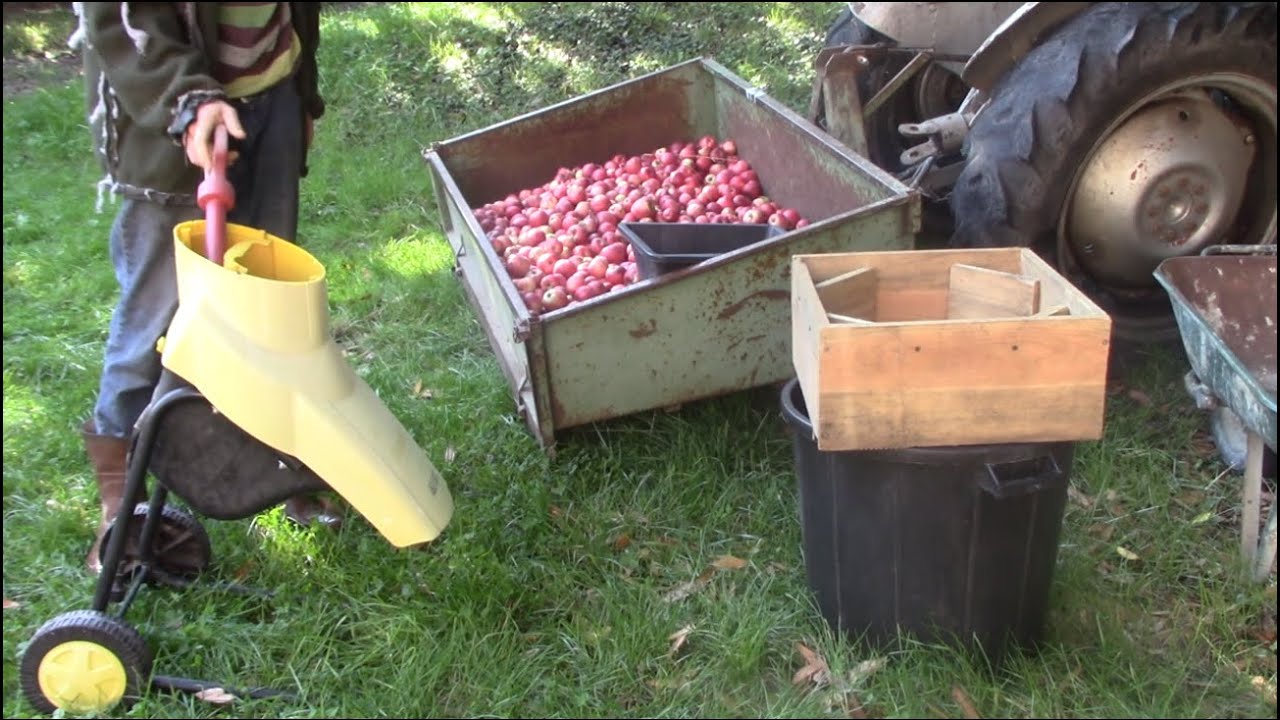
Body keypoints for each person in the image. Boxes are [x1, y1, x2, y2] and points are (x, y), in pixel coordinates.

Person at [72, 2, 338, 575]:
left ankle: (276, 465)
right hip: (171, 121)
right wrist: (187, 100)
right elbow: (123, 19)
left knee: (265, 300)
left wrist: (300, 93)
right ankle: (120, 502)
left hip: (272, 99)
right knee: (157, 314)